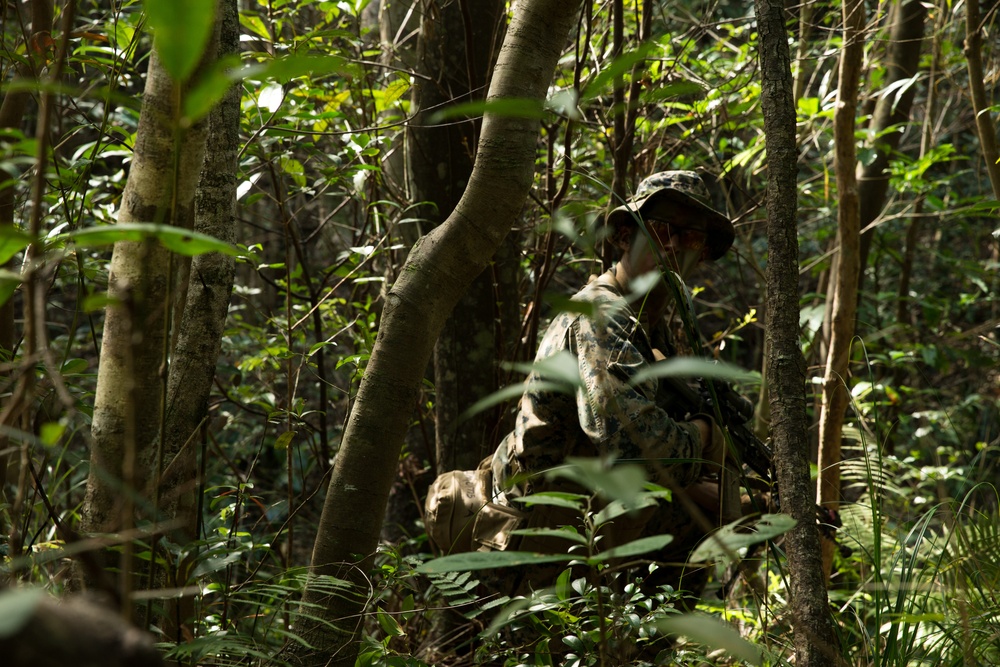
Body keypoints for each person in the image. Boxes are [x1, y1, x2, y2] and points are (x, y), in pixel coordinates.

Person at [477, 170, 743, 594]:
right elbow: (632, 448)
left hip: (593, 511)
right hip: (545, 529)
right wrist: (706, 436)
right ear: (624, 237)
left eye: (692, 239)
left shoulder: (664, 317)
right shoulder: (601, 315)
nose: (674, 246)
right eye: (660, 231)